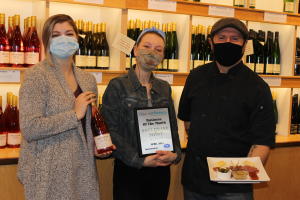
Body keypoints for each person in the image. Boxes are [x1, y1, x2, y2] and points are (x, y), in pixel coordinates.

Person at [178, 17, 276, 200]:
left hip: (234, 188)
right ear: (211, 43)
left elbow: (263, 140)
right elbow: (187, 120)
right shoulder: (195, 77)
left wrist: (239, 175)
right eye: (221, 37)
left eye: (235, 38)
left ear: (244, 45)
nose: (228, 42)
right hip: (195, 179)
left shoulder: (258, 86)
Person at [17, 14, 113, 200]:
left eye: (69, 33)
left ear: (77, 38)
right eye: (56, 35)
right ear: (46, 40)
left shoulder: (88, 79)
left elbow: (87, 126)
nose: (64, 39)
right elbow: (30, 128)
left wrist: (97, 146)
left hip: (81, 169)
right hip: (47, 172)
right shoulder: (36, 76)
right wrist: (74, 114)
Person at [102, 27, 181, 200]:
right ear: (136, 49)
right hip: (129, 171)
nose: (152, 52)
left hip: (161, 170)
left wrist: (175, 154)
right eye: (147, 46)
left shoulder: (164, 88)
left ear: (162, 56)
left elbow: (172, 127)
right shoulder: (117, 86)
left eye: (158, 49)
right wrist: (140, 160)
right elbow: (110, 131)